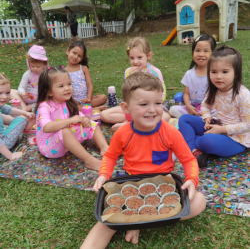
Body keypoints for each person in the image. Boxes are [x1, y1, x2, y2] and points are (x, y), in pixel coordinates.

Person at [80, 73, 206, 248]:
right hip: (131, 186)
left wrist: (192, 180)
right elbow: (109, 156)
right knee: (105, 221)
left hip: (164, 188)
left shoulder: (170, 132)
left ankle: (136, 222)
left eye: (158, 103)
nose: (153, 109)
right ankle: (136, 220)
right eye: (143, 104)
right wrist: (103, 175)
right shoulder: (122, 133)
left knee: (199, 201)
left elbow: (188, 159)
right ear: (126, 108)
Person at [179, 45, 250, 168]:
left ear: (236, 73)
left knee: (206, 141)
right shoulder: (215, 89)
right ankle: (194, 151)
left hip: (237, 139)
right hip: (217, 126)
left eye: (225, 72)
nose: (218, 76)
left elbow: (247, 125)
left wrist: (221, 130)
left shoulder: (243, 95)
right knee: (184, 119)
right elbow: (205, 105)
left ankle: (192, 142)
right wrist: (207, 118)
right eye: (213, 72)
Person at [35, 66, 109, 171]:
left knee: (90, 123)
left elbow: (77, 113)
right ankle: (89, 161)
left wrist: (83, 118)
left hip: (65, 141)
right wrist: (71, 120)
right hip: (49, 147)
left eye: (69, 84)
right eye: (61, 86)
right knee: (64, 130)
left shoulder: (65, 102)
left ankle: (104, 148)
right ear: (49, 91)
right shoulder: (44, 106)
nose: (67, 88)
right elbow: (47, 127)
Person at [100, 37, 171, 131]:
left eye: (139, 57)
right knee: (104, 115)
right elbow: (127, 93)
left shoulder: (155, 72)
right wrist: (130, 77)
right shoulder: (128, 72)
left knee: (165, 117)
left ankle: (128, 124)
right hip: (133, 107)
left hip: (150, 107)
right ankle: (134, 122)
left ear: (148, 56)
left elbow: (162, 94)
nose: (135, 61)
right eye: (132, 58)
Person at [169, 34, 216, 118]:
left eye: (206, 51)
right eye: (197, 50)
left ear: (213, 53)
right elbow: (186, 94)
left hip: (210, 108)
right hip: (193, 108)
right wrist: (188, 106)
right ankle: (198, 118)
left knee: (219, 112)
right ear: (192, 52)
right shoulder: (189, 74)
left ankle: (199, 119)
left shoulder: (214, 73)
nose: (201, 54)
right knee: (173, 109)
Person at [0, 73, 35, 160]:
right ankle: (26, 125)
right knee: (22, 119)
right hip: (4, 144)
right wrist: (11, 156)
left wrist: (25, 113)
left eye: (7, 93)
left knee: (21, 116)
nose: (4, 96)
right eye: (0, 93)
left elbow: (8, 109)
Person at [65, 41, 107, 112]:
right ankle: (92, 109)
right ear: (68, 51)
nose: (75, 57)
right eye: (74, 53)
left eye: (79, 56)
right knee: (68, 104)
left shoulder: (84, 68)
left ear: (82, 58)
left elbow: (89, 85)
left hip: (87, 99)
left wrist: (88, 98)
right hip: (74, 100)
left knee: (104, 97)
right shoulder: (63, 71)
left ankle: (82, 108)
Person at [10, 45, 48, 112]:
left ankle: (31, 107)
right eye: (32, 66)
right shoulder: (28, 74)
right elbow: (21, 87)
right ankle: (25, 107)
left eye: (38, 66)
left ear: (44, 64)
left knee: (50, 100)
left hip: (42, 99)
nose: (35, 68)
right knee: (12, 92)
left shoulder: (47, 74)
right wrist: (23, 93)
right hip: (29, 97)